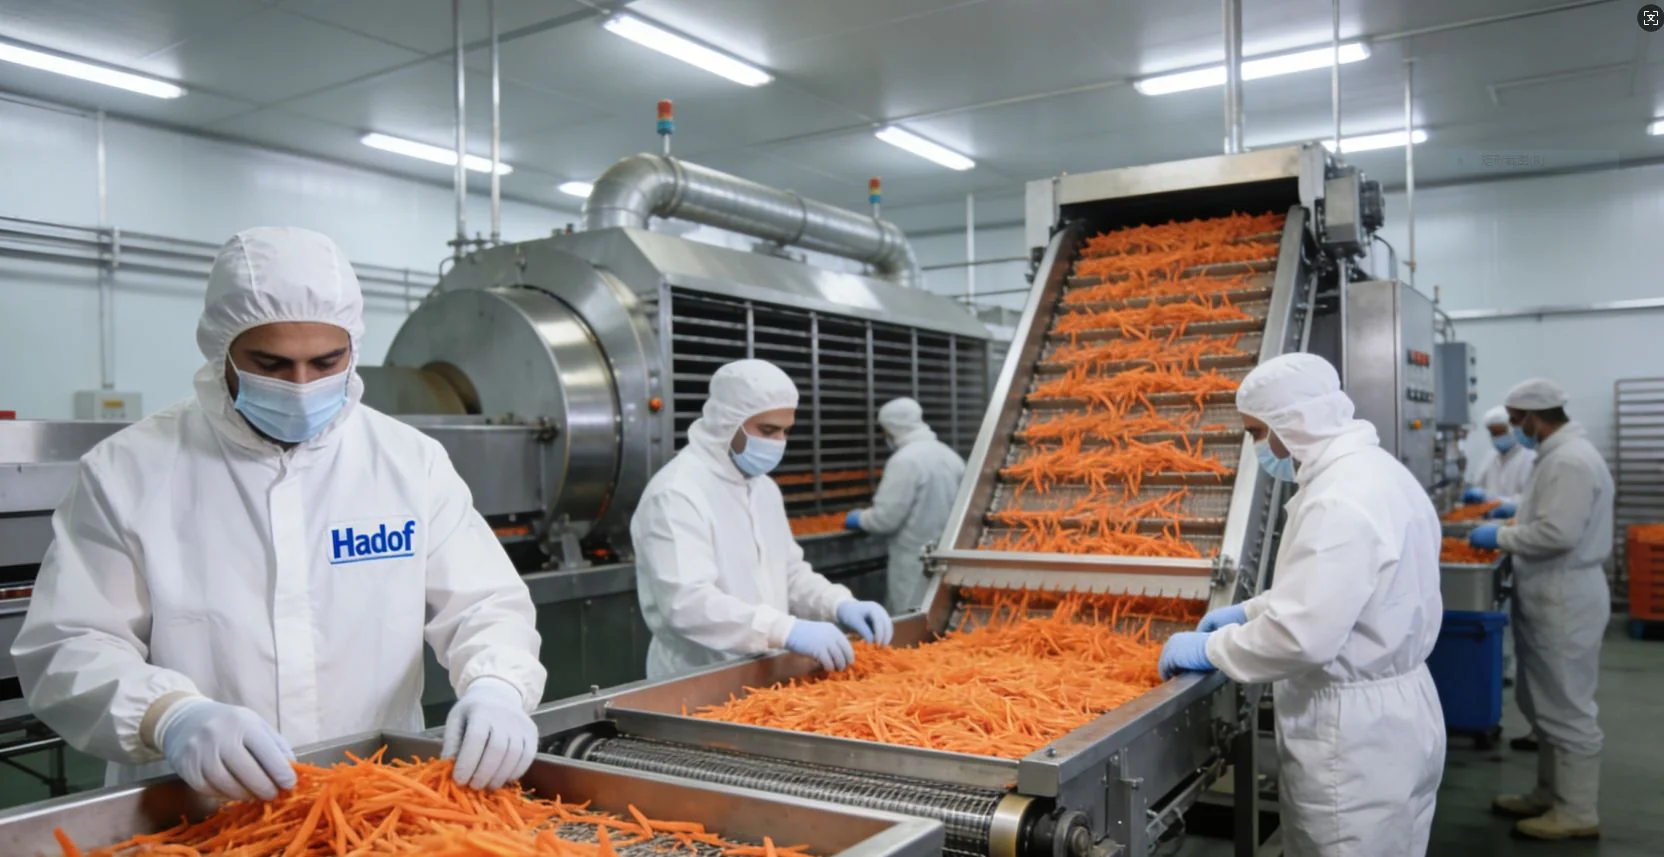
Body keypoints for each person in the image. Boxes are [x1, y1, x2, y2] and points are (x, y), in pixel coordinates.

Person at [13, 227, 547, 801]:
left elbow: (485, 605)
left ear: (354, 349)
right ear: (222, 350)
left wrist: (496, 684)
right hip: (202, 808)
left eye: (326, 361)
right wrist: (167, 717)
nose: (301, 386)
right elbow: (70, 645)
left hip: (379, 801)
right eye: (270, 363)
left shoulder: (408, 463)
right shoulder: (127, 472)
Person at [1158, 353, 1445, 857]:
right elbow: (1340, 592)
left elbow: (1303, 636)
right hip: (1397, 713)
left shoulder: (1340, 498)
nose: (1256, 447)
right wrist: (1250, 612)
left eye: (1255, 432)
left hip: (1352, 738)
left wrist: (1214, 649)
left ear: (1291, 424)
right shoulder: (1376, 473)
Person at [631, 359, 893, 680]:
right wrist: (785, 629)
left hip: (766, 671)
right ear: (728, 423)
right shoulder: (676, 493)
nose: (778, 442)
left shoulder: (763, 488)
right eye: (767, 430)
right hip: (698, 678)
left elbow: (789, 573)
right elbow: (687, 603)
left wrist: (837, 603)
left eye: (785, 431)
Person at [1468, 378, 1610, 841]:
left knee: (1567, 706)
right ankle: (1549, 795)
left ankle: (1577, 811)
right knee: (1544, 702)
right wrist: (1511, 519)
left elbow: (1559, 534)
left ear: (1531, 417)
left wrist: (1500, 536)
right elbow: (1544, 518)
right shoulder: (1559, 457)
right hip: (1551, 590)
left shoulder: (1569, 461)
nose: (1512, 429)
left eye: (1514, 421)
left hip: (1565, 594)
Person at [844, 398, 966, 614]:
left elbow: (886, 519)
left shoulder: (905, 461)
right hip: (947, 556)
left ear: (891, 429)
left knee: (910, 621)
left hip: (914, 563)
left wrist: (860, 518)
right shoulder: (950, 456)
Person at [1463, 405, 1536, 505]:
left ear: (1512, 429)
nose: (1498, 437)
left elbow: (1529, 500)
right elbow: (1478, 487)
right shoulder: (1490, 458)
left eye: (1501, 432)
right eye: (1494, 433)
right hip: (1488, 517)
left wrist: (1498, 502)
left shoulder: (1528, 458)